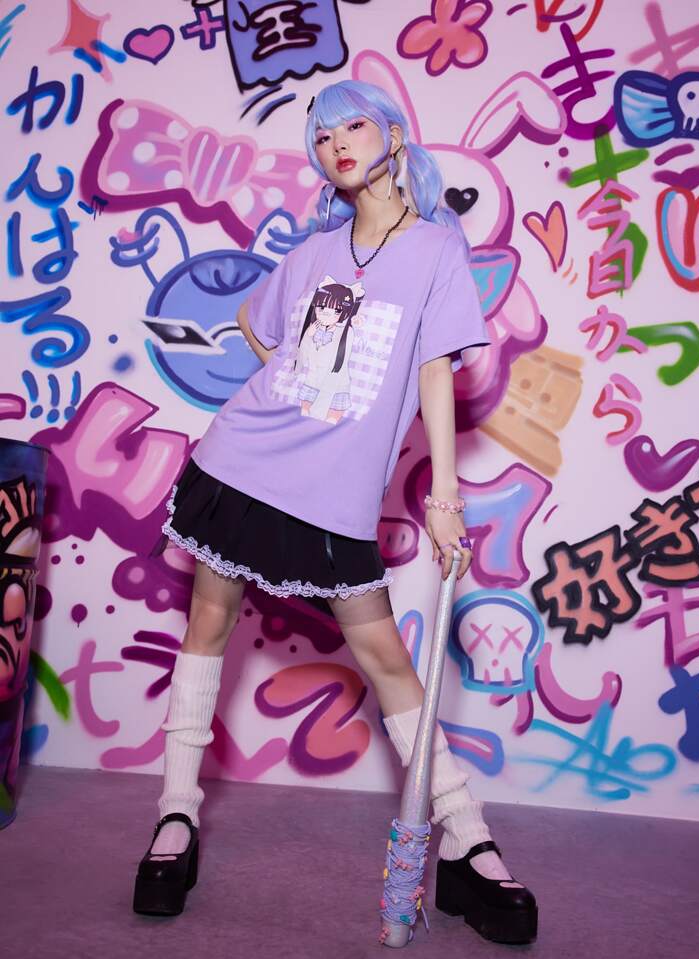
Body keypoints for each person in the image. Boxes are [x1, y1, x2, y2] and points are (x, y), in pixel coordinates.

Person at [132, 78, 538, 945]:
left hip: (335, 494)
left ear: (393, 137)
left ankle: (466, 837)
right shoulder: (314, 251)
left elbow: (435, 369)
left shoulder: (435, 249)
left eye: (352, 125)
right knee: (209, 622)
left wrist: (445, 494)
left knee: (385, 656)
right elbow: (259, 327)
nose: (336, 144)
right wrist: (297, 384)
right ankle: (175, 815)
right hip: (244, 462)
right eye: (321, 137)